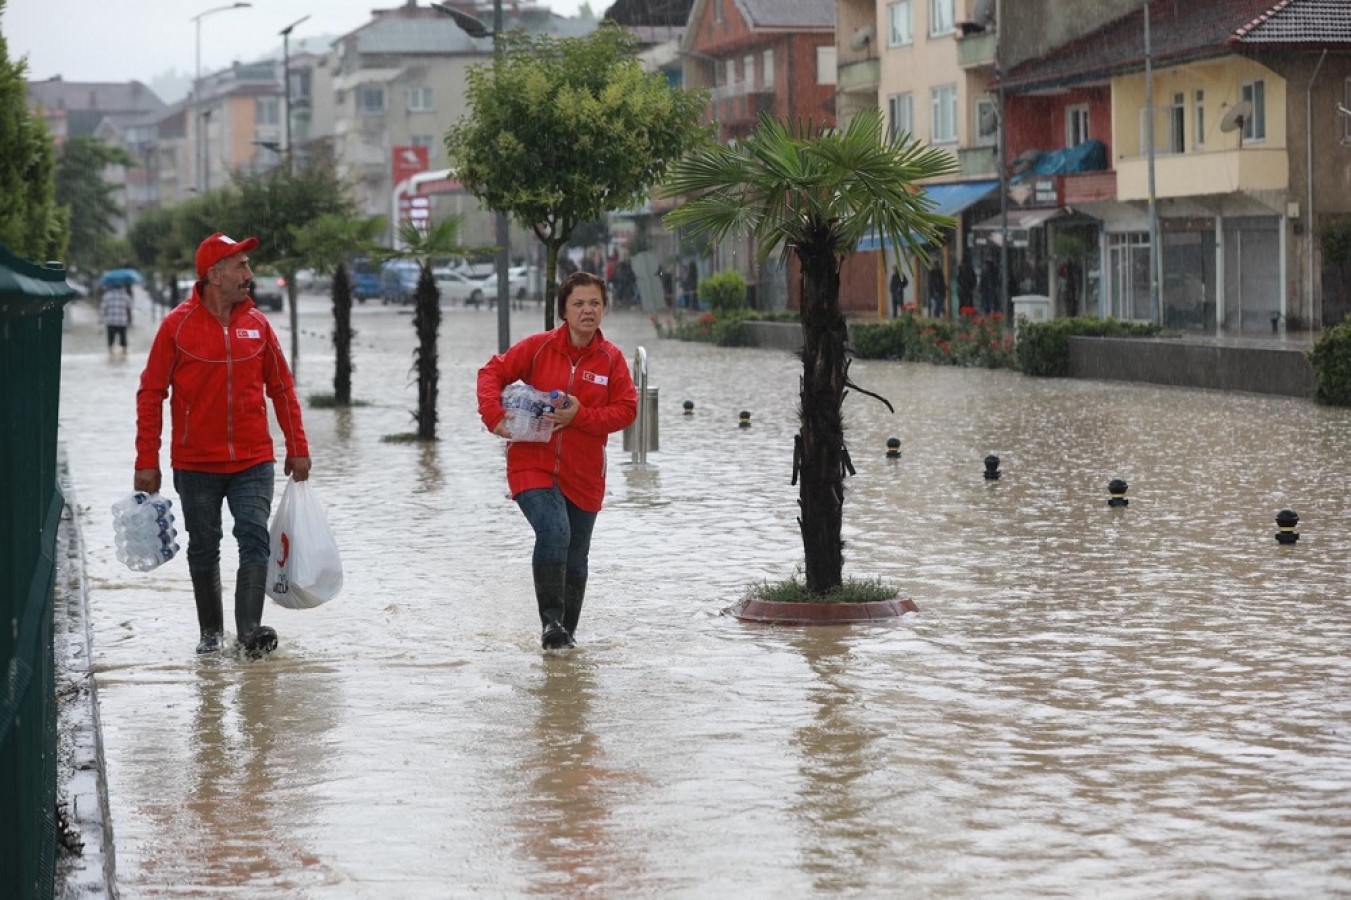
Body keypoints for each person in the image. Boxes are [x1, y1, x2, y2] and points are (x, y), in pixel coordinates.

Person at [134, 232, 311, 658]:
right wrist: (146, 460)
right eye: (241, 266)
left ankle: (249, 633)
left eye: (248, 266)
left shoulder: (259, 325)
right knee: (204, 543)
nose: (250, 274)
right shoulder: (176, 326)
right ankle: (211, 635)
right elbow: (151, 392)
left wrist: (297, 445)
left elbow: (282, 389)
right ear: (215, 275)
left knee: (254, 536)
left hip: (254, 460)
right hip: (195, 464)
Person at [476, 271, 637, 650]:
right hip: (532, 465)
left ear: (604, 309)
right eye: (579, 303)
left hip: (585, 475)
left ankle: (565, 638)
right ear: (563, 309)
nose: (588, 310)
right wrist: (494, 416)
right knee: (555, 531)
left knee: (577, 557)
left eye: (595, 303)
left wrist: (578, 416)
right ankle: (550, 623)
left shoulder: (612, 359)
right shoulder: (537, 347)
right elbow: (491, 371)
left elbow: (627, 410)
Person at [100, 283, 133, 354]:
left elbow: (103, 308)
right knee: (123, 337)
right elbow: (129, 307)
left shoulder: (107, 296)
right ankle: (124, 352)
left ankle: (110, 352)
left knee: (111, 339)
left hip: (111, 321)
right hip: (122, 321)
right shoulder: (125, 296)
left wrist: (103, 318)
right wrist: (130, 320)